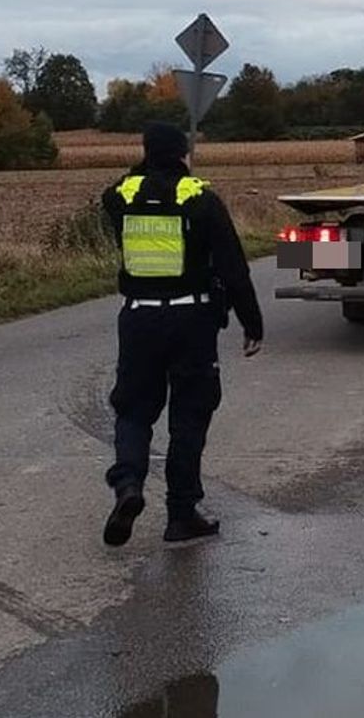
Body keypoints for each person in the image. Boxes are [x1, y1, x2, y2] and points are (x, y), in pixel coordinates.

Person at [100, 122, 264, 547]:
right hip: (192, 321)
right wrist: (252, 323)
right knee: (189, 416)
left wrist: (146, 170)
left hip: (138, 318)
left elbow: (118, 189)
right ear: (182, 154)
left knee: (133, 411)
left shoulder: (121, 197)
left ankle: (128, 484)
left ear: (146, 153)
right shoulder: (201, 199)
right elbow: (233, 267)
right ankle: (181, 513)